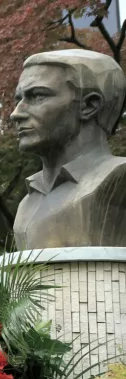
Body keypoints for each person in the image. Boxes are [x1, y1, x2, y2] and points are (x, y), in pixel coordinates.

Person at [10, 48, 126, 250]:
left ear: (89, 106)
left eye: (37, 96)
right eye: (18, 99)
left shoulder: (118, 180)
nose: (16, 113)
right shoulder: (26, 203)